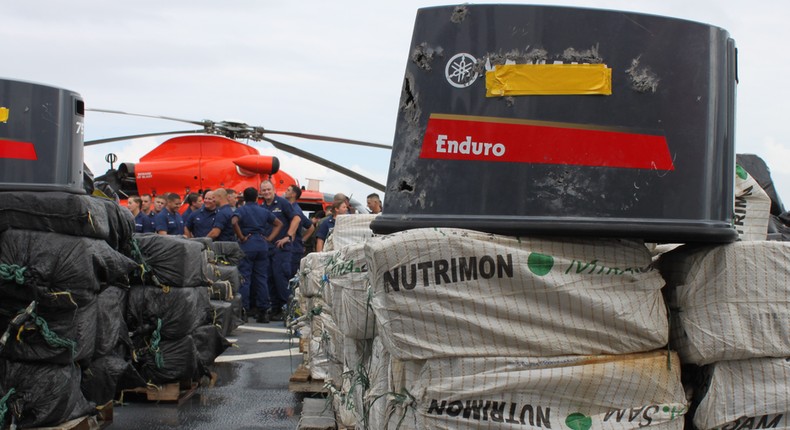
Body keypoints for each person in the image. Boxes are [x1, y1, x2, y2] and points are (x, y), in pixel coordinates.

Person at [232, 187, 284, 323]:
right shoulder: (263, 211)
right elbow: (279, 224)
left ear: (244, 197)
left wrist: (241, 237)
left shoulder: (241, 210)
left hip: (247, 245)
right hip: (262, 245)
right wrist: (269, 238)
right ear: (257, 198)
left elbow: (234, 221)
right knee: (261, 279)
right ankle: (263, 311)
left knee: (245, 279)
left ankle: (243, 311)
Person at [260, 179, 301, 321]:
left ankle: (288, 309)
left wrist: (288, 236)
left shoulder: (283, 203)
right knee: (269, 278)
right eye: (263, 190)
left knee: (281, 278)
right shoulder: (262, 207)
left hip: (282, 248)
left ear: (274, 189)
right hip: (268, 248)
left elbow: (296, 219)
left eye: (268, 189)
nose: (266, 192)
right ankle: (276, 308)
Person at [277, 185, 315, 276]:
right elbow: (311, 227)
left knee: (288, 275)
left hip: (292, 249)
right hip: (294, 247)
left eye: (288, 190)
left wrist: (300, 240)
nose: (285, 191)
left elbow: (308, 226)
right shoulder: (292, 208)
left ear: (293, 194)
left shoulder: (295, 210)